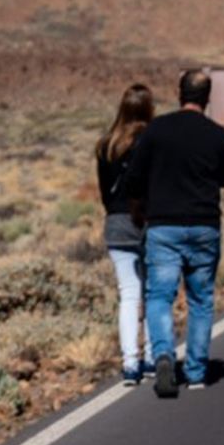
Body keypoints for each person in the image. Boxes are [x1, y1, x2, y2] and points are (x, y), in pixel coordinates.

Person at [123, 69, 224, 398]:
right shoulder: (217, 135)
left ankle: (163, 356)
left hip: (163, 227)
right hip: (204, 226)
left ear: (179, 93)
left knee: (159, 296)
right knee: (200, 300)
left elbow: (133, 180)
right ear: (208, 97)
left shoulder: (157, 131)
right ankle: (197, 371)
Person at [95, 84, 154, 386]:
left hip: (117, 223)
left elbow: (105, 193)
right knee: (155, 292)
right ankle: (156, 357)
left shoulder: (106, 145)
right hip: (149, 221)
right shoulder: (153, 140)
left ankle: (131, 363)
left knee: (128, 294)